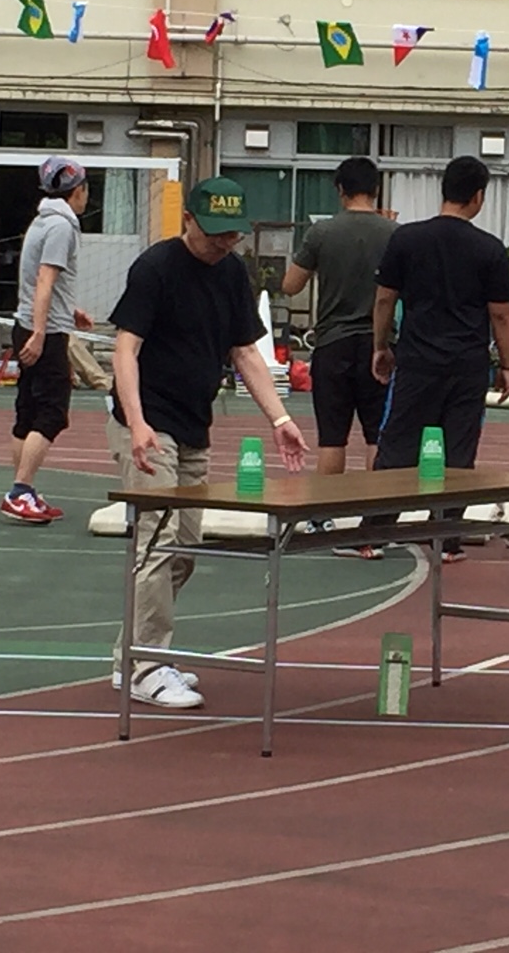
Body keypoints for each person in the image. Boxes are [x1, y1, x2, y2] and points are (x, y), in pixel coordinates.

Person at [107, 176, 309, 709]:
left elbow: (245, 352)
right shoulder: (155, 268)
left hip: (194, 424)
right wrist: (137, 422)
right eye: (214, 232)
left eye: (232, 234)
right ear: (188, 220)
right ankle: (147, 665)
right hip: (149, 425)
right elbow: (125, 350)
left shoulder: (232, 274)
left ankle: (130, 655)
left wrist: (279, 417)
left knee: (184, 551)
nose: (223, 243)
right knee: (157, 541)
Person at [370, 155, 509, 563]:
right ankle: (446, 537)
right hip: (467, 364)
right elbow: (501, 314)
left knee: (398, 444)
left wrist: (381, 346)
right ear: (478, 196)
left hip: (417, 359)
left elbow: (384, 299)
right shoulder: (489, 248)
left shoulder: (407, 239)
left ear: (444, 190)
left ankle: (374, 532)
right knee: (459, 450)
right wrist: (507, 364)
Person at [282, 157, 397, 484]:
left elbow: (290, 285)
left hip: (333, 343)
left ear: (340, 189)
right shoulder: (395, 233)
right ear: (376, 190)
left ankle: (326, 508)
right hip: (380, 345)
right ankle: (376, 509)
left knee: (332, 438)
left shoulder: (322, 232)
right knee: (377, 435)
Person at [2, 156, 93, 525]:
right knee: (52, 413)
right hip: (46, 332)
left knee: (27, 412)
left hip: (28, 323)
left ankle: (24, 491)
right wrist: (41, 332)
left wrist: (70, 310)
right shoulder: (61, 227)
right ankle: (20, 491)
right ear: (77, 190)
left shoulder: (41, 221)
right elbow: (44, 279)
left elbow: (38, 282)